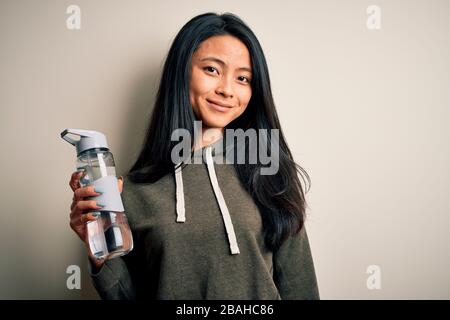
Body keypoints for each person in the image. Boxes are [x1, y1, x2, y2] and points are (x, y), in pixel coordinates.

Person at [68, 12, 320, 300]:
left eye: (243, 78)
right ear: (182, 72)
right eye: (212, 70)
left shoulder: (271, 174)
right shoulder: (134, 191)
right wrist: (99, 245)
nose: (227, 90)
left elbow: (301, 289)